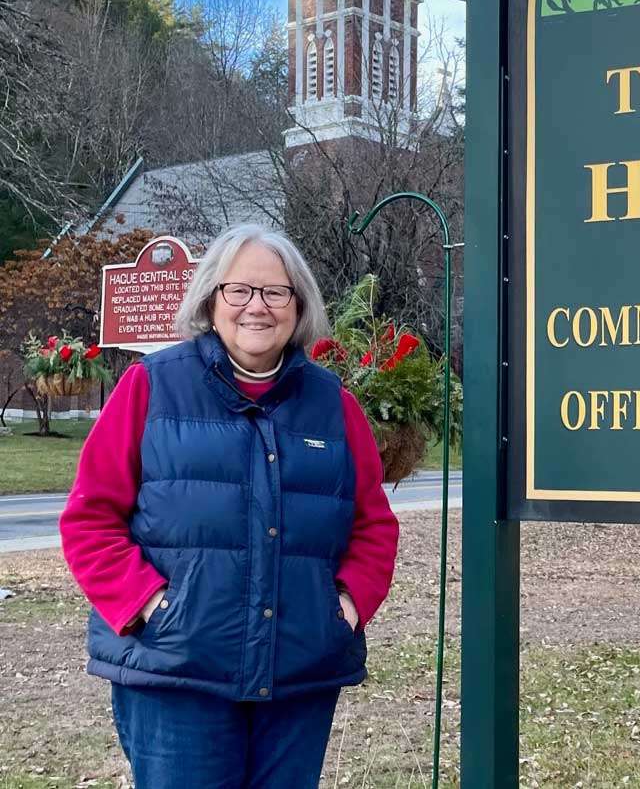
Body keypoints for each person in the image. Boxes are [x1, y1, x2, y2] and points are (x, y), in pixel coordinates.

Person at [59, 224, 399, 788]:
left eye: (275, 292)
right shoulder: (152, 386)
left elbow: (373, 526)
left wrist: (345, 607)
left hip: (297, 674)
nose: (256, 307)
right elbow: (90, 518)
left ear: (299, 305)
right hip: (176, 673)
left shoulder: (333, 406)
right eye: (238, 290)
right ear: (212, 299)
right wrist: (152, 606)